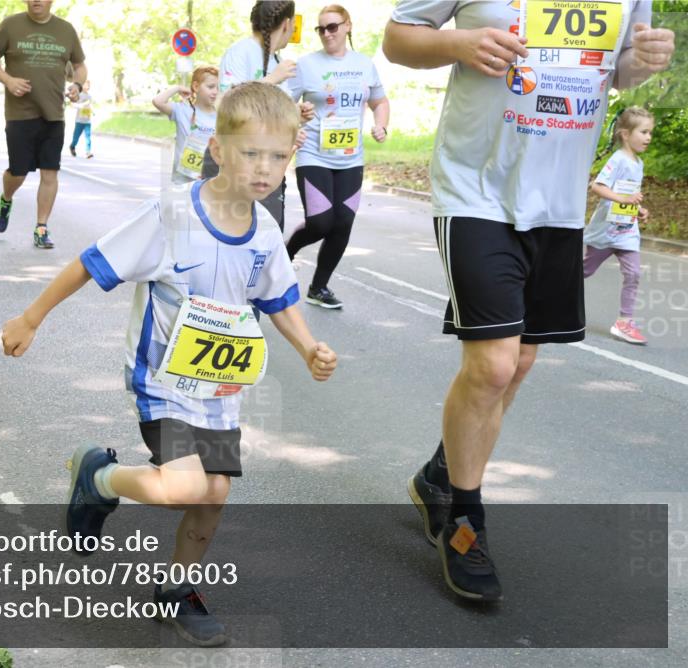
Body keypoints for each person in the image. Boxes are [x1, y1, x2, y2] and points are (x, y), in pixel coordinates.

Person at [2, 82, 338, 646]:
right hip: (162, 381)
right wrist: (31, 317)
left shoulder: (267, 233)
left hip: (219, 388)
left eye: (279, 156)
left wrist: (308, 347)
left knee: (214, 495)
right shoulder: (173, 213)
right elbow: (93, 262)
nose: (265, 168)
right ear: (218, 148)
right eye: (251, 153)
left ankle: (178, 590)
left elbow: (280, 299)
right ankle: (99, 478)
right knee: (182, 488)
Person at [384, 1, 674, 602]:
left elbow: (616, 68)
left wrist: (639, 64)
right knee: (491, 364)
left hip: (561, 200)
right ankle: (464, 521)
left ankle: (440, 476)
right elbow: (397, 38)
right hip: (474, 188)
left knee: (518, 362)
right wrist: (457, 47)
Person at [287, 4, 390, 309]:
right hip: (314, 154)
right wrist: (294, 123)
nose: (327, 33)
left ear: (347, 26)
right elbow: (282, 104)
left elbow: (380, 101)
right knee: (320, 223)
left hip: (350, 158)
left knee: (343, 222)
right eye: (321, 29)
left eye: (333, 27)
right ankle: (286, 252)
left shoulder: (364, 64)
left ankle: (319, 288)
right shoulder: (306, 65)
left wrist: (381, 124)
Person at [0, 0, 86, 248]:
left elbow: (80, 66)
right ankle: (6, 198)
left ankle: (41, 227)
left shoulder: (66, 30)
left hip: (54, 114)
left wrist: (77, 85)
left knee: (50, 172)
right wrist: (8, 80)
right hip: (20, 114)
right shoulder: (11, 25)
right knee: (18, 172)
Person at [205, 1, 310, 231]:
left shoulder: (277, 62)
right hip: (235, 162)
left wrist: (295, 117)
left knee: (265, 234)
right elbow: (224, 102)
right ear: (287, 24)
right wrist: (273, 78)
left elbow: (268, 114)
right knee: (225, 232)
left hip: (267, 167)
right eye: (293, 25)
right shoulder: (241, 51)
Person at [584, 107, 655, 345]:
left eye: (650, 132)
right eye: (644, 132)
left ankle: (624, 322)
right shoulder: (618, 159)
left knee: (633, 273)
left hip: (626, 232)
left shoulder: (638, 163)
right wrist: (624, 200)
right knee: (583, 271)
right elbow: (598, 186)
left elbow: (629, 195)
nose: (648, 137)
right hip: (605, 231)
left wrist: (637, 209)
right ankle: (542, 295)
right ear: (626, 134)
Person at [152, 66, 219, 184]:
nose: (215, 92)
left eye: (218, 88)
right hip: (182, 182)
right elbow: (158, 101)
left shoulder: (222, 117)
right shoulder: (182, 110)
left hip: (209, 183)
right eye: (210, 87)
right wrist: (178, 88)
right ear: (196, 86)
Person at [68, 79, 94, 158]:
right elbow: (73, 104)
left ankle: (88, 152)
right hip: (79, 121)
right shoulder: (79, 95)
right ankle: (72, 146)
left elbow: (89, 106)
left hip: (87, 121)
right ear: (82, 85)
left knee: (88, 137)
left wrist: (92, 112)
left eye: (88, 85)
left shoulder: (89, 96)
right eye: (86, 84)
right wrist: (81, 105)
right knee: (76, 137)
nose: (87, 86)